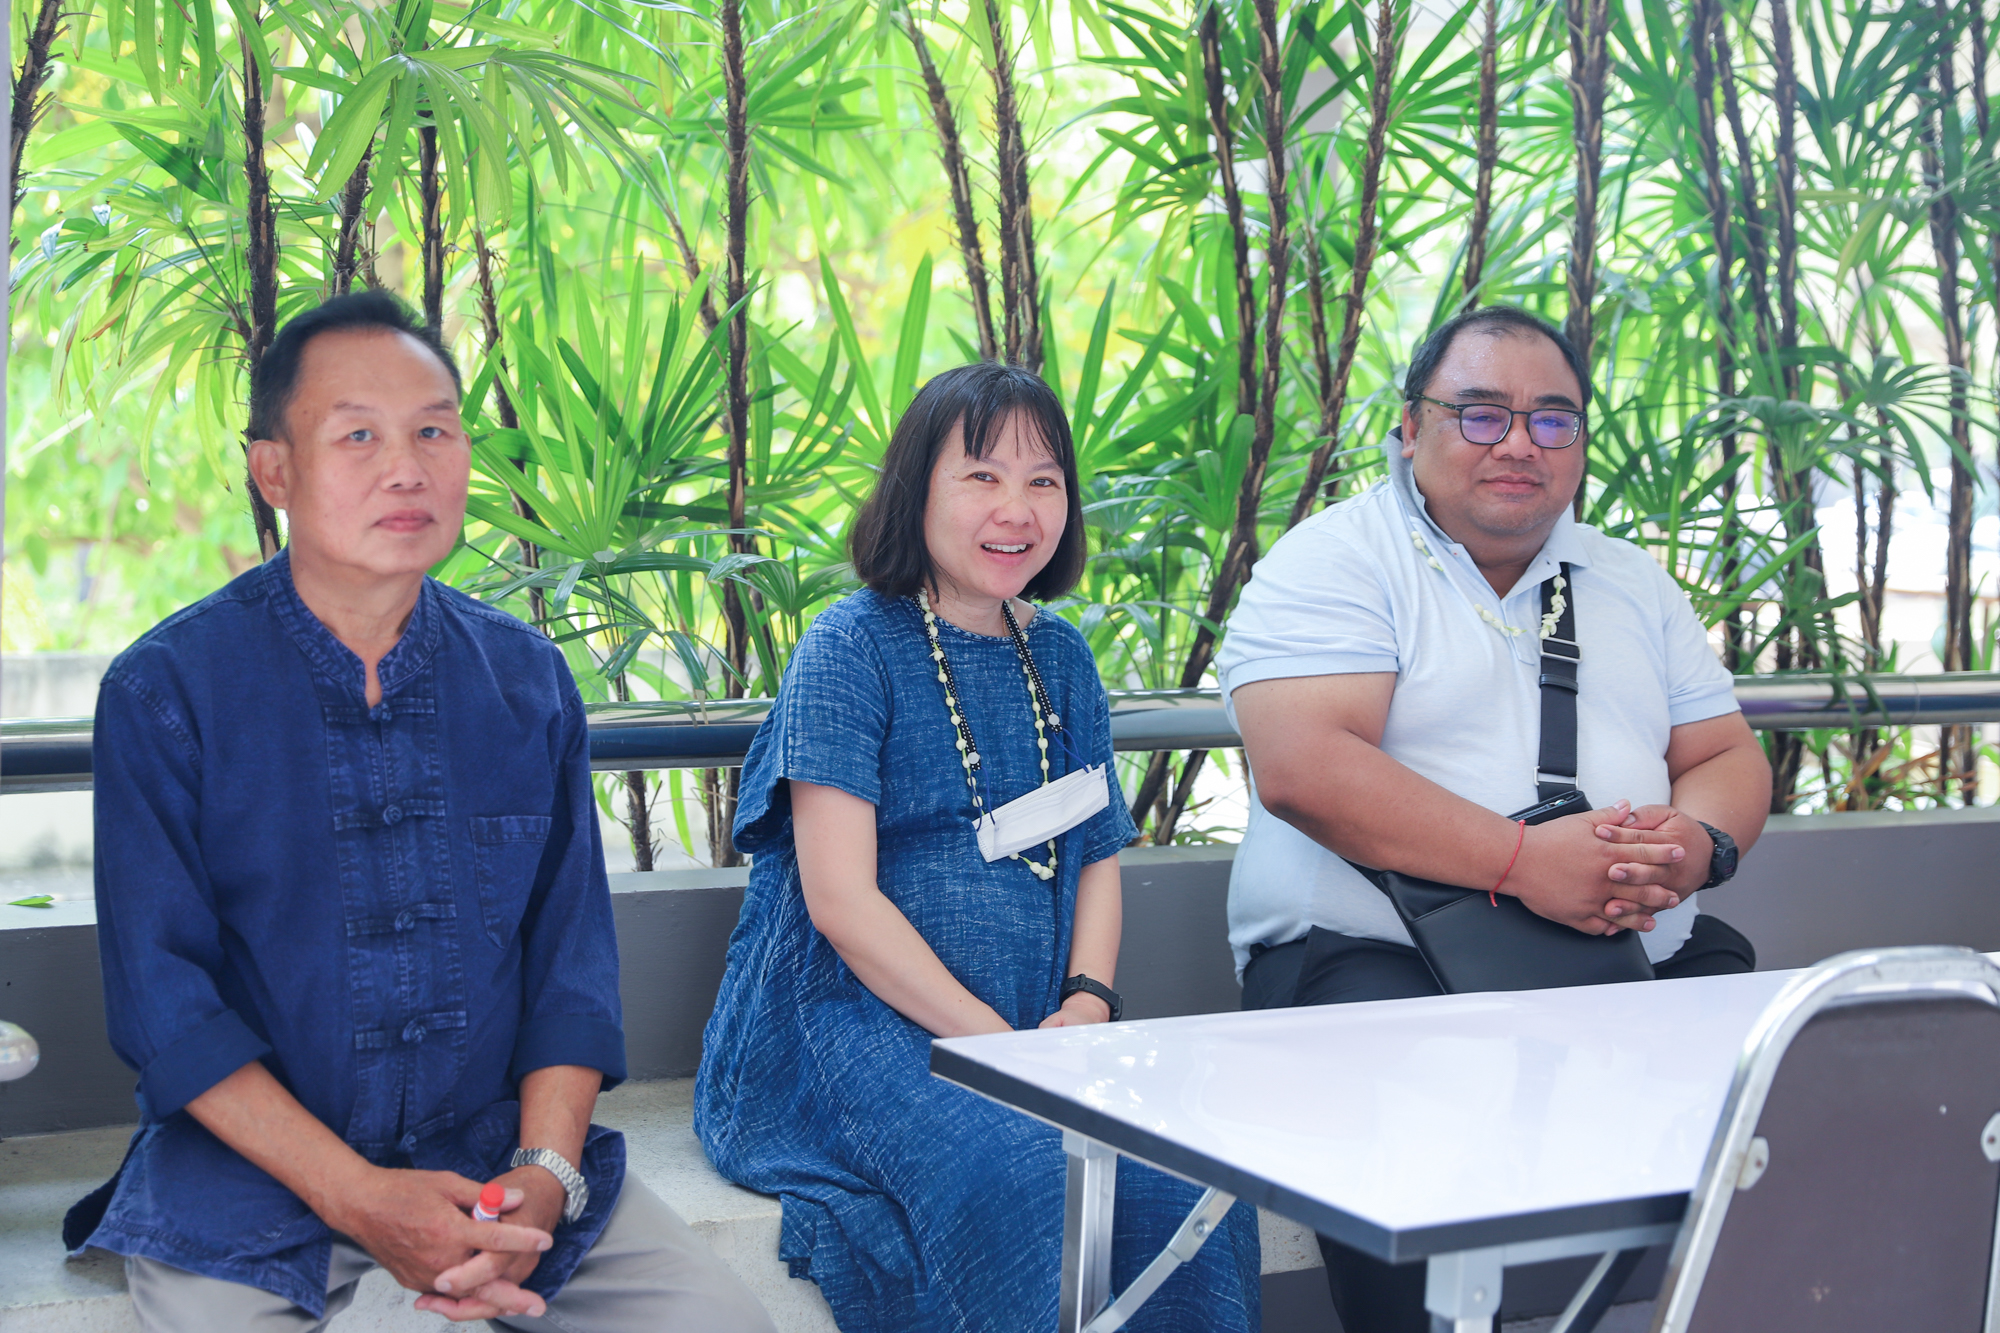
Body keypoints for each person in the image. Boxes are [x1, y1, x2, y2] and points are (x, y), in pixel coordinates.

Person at [68, 290, 775, 1333]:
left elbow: (569, 968)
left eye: (434, 431)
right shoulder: (166, 692)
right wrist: (360, 1197)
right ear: (274, 470)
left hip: (492, 1159)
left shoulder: (526, 679)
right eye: (358, 435)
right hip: (252, 1179)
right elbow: (163, 1009)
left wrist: (544, 1176)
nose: (406, 469)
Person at [1217, 305, 1772, 1332]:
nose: (1519, 442)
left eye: (1552, 419)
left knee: (1819, 1112)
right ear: (1408, 427)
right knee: (1416, 1183)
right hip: (1383, 970)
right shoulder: (1335, 560)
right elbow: (1302, 769)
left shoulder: (1627, 579)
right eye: (1480, 414)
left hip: (1624, 970)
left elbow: (1724, 755)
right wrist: (1523, 861)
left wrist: (1695, 847)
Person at [695, 362, 1262, 1332]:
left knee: (1195, 1175)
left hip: (1034, 1023)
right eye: (982, 476)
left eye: (1043, 480)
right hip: (851, 1028)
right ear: (916, 491)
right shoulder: (849, 646)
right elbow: (840, 901)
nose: (1016, 508)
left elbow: (1096, 854)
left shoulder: (1062, 657)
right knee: (1024, 1173)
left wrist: (1087, 1003)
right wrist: (997, 1049)